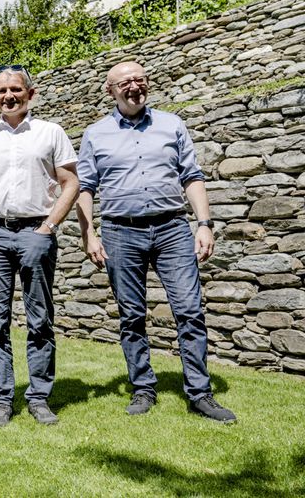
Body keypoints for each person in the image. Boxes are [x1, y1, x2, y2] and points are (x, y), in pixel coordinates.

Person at [74, 61, 236, 423]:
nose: (134, 87)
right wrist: (89, 234)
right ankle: (143, 387)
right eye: (125, 82)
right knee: (131, 315)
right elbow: (84, 187)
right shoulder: (95, 134)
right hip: (120, 232)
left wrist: (204, 224)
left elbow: (192, 176)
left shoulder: (171, 124)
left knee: (189, 310)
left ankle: (200, 393)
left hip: (173, 229)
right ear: (110, 90)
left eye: (139, 80)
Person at [0, 66, 78, 427]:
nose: (8, 96)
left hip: (35, 231)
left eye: (16, 89)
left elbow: (70, 182)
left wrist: (48, 227)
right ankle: (1, 400)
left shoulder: (51, 133)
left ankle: (40, 397)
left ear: (31, 93)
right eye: (2, 91)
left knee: (39, 317)